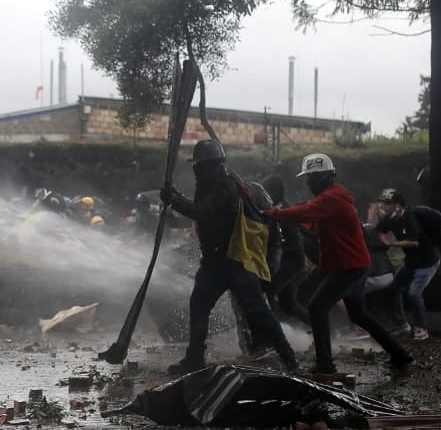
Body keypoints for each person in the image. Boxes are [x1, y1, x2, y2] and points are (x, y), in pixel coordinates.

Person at [263, 154, 414, 377]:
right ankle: (399, 354)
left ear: (325, 177)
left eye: (312, 178)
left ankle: (325, 365)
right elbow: (311, 220)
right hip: (353, 264)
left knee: (317, 307)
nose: (309, 183)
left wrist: (269, 214)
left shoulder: (331, 198)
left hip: (348, 266)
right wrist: (287, 218)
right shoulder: (333, 198)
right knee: (358, 314)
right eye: (308, 179)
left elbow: (304, 212)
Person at [159, 140, 299, 375]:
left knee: (259, 311)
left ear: (211, 165)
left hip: (235, 262)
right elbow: (200, 209)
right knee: (199, 306)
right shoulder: (208, 185)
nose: (196, 170)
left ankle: (289, 357)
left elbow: (202, 212)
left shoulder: (227, 186)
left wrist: (174, 199)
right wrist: (176, 197)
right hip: (214, 263)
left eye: (199, 166)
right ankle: (194, 358)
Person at [374, 188, 441, 341]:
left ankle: (421, 328)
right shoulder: (391, 218)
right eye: (382, 203)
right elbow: (379, 229)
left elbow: (414, 242)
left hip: (426, 262)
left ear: (397, 206)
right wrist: (383, 237)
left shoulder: (410, 217)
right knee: (393, 288)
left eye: (387, 204)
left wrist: (392, 243)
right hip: (411, 262)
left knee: (414, 294)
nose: (383, 207)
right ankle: (402, 324)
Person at [259, 174, 310, 327]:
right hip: (290, 260)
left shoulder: (281, 210)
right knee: (288, 304)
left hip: (291, 261)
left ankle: (275, 333)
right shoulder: (279, 207)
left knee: (265, 292)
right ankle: (320, 329)